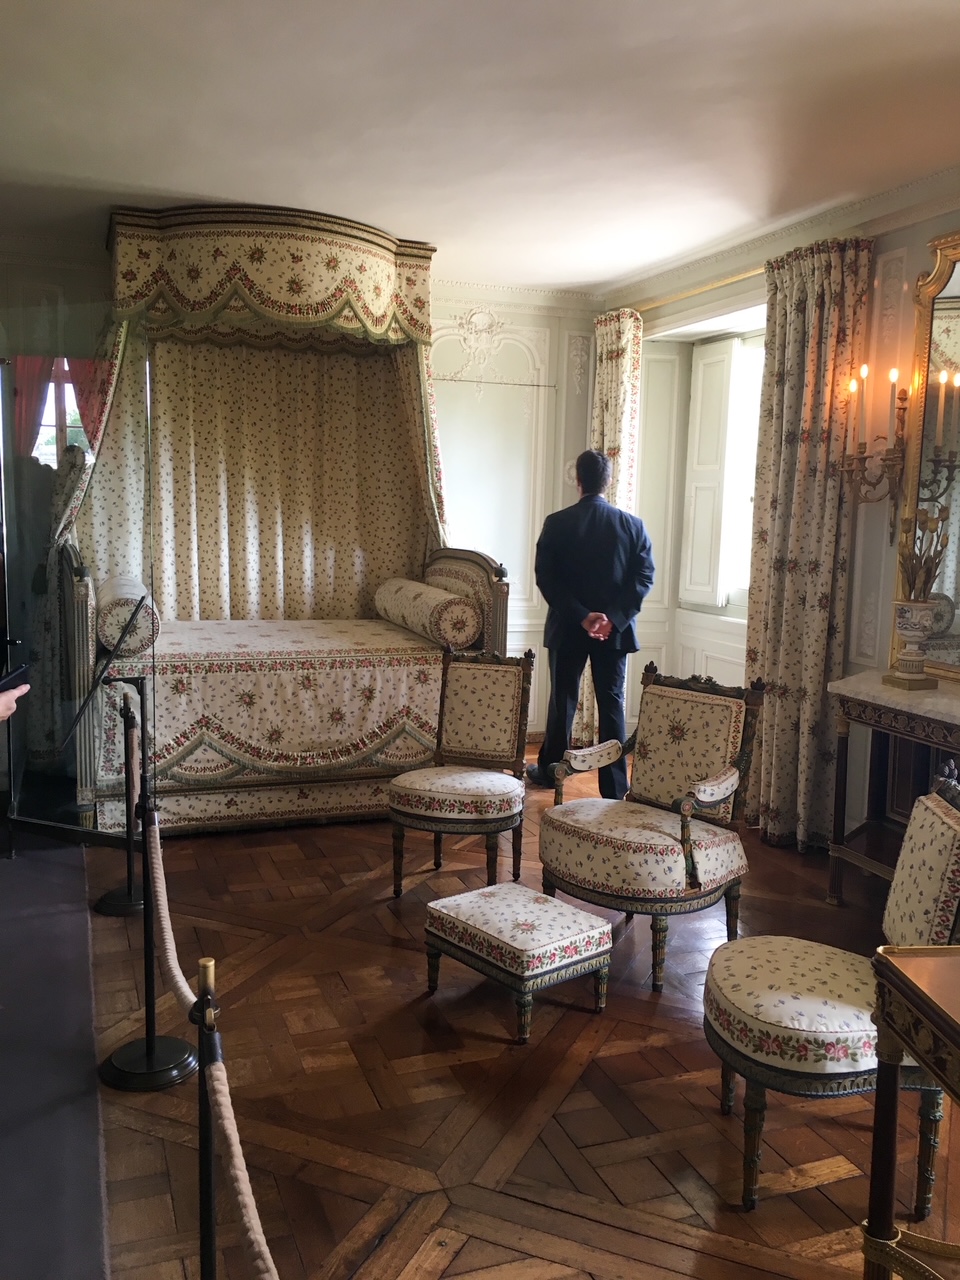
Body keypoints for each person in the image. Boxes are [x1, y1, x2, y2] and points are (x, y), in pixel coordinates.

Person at [527, 449, 655, 800]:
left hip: (568, 629)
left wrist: (582, 616)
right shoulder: (633, 525)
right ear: (608, 481)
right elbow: (644, 577)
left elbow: (546, 578)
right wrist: (612, 618)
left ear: (578, 480)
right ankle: (614, 788)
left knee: (562, 702)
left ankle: (551, 773)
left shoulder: (557, 523)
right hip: (614, 633)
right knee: (611, 706)